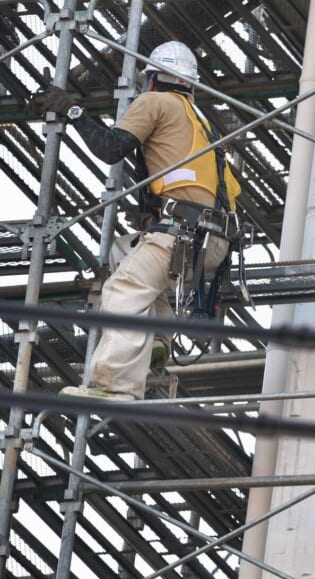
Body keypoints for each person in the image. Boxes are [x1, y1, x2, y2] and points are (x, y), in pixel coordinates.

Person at [31, 41, 241, 401]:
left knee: (122, 290)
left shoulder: (155, 102)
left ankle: (116, 385)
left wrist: (74, 112)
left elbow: (111, 148)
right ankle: (157, 340)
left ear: (154, 79)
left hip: (182, 234)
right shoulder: (201, 122)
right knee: (121, 252)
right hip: (212, 242)